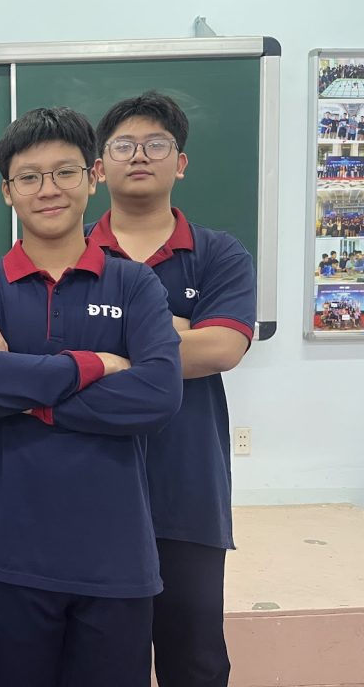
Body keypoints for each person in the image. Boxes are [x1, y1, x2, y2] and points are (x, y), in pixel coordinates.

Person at [0, 107, 182, 687]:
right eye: (29, 177)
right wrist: (95, 365)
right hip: (7, 549)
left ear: (93, 176)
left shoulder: (134, 283)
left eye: (65, 172)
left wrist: (30, 393)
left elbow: (158, 392)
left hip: (114, 555)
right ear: (7, 192)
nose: (48, 189)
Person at [89, 91, 256, 687]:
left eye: (156, 144)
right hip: (92, 486)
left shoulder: (219, 253)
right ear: (99, 167)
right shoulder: (70, 251)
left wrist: (106, 345)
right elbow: (48, 347)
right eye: (124, 146)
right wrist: (172, 332)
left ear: (180, 163)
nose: (140, 156)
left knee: (195, 659)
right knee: (105, 660)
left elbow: (223, 348)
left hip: (188, 488)